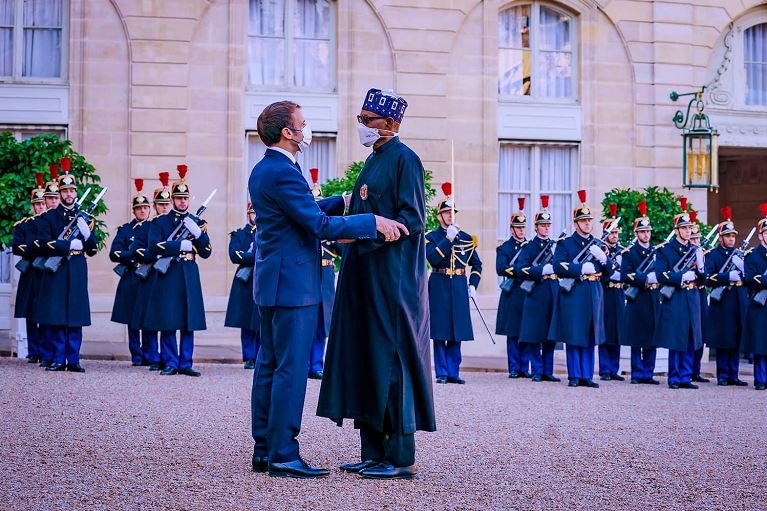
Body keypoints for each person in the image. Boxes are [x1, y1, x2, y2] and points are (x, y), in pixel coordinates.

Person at [248, 99, 406, 479]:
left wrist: (344, 201)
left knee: (268, 365)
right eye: (302, 123)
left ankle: (265, 448)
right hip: (294, 286)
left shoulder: (266, 167)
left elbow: (302, 208)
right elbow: (317, 225)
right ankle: (284, 454)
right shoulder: (283, 171)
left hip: (273, 282)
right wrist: (371, 221)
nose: (307, 128)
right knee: (290, 369)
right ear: (288, 132)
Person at [317, 89, 435, 480]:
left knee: (393, 362)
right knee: (367, 356)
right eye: (361, 119)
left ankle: (400, 457)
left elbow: (414, 219)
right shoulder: (372, 161)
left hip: (393, 279)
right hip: (363, 274)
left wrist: (371, 230)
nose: (363, 126)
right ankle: (372, 450)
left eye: (369, 119)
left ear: (391, 124)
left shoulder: (406, 160)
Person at [144, 165, 212, 377]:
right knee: (169, 319)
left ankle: (186, 362)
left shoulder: (197, 222)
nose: (182, 201)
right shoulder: (161, 222)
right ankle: (171, 361)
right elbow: (153, 247)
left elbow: (207, 251)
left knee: (188, 320)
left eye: (185, 198)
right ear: (172, 199)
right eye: (178, 198)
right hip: (169, 273)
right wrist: (179, 246)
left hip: (189, 272)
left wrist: (198, 236)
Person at [34, 160, 99, 372]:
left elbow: (92, 249)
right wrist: (67, 244)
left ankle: (73, 359)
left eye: (72, 190)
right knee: (57, 315)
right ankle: (57, 358)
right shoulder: (50, 217)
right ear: (60, 193)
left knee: (75, 315)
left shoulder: (84, 218)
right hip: (58, 269)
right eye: (65, 191)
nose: (69, 194)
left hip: (77, 268)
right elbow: (44, 243)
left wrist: (87, 233)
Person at [552, 189, 610, 388]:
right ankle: (574, 375)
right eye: (583, 220)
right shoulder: (566, 244)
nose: (587, 223)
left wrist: (604, 259)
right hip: (575, 291)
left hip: (593, 291)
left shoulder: (597, 244)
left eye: (589, 220)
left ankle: (587, 375)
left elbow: (609, 272)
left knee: (589, 333)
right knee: (574, 333)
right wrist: (579, 269)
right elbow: (558, 266)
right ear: (576, 223)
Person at [426, 183, 483, 385]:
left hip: (459, 283)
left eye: (453, 212)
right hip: (440, 283)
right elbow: (432, 258)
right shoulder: (431, 237)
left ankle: (453, 371)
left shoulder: (466, 238)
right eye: (446, 212)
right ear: (439, 215)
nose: (451, 216)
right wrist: (447, 239)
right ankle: (441, 371)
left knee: (457, 330)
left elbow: (476, 264)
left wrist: (473, 285)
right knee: (440, 330)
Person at [652, 198, 703, 389]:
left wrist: (701, 268)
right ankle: (674, 377)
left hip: (692, 297)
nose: (688, 231)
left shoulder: (695, 249)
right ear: (676, 230)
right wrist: (682, 276)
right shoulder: (666, 249)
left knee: (690, 337)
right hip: (676, 297)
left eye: (689, 228)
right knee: (677, 337)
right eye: (684, 228)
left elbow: (702, 279)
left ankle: (685, 376)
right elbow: (660, 274)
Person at [128, 172, 171, 371]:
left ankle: (165, 356)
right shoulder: (148, 226)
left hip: (170, 274)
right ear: (155, 206)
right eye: (160, 204)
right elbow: (136, 248)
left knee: (168, 317)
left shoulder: (174, 223)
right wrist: (153, 254)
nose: (164, 207)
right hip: (152, 274)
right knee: (153, 318)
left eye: (166, 203)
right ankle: (153, 356)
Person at [516, 195, 561, 383]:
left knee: (550, 334)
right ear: (536, 227)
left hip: (552, 290)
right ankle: (537, 369)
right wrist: (540, 270)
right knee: (535, 334)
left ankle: (548, 371)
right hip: (536, 292)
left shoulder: (556, 246)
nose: (546, 228)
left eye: (548, 225)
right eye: (543, 225)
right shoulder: (529, 246)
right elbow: (521, 269)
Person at [109, 179, 153, 366]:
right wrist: (132, 255)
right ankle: (136, 354)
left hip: (148, 276)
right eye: (139, 208)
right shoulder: (125, 230)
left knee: (149, 317)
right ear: (134, 210)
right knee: (132, 319)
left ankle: (150, 354)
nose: (142, 211)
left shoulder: (154, 228)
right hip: (132, 276)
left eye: (145, 208)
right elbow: (115, 253)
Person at [704, 207, 748, 387]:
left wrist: (743, 269)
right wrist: (726, 277)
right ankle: (722, 374)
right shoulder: (714, 255)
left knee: (737, 336)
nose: (731, 238)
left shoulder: (740, 255)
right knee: (724, 338)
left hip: (738, 298)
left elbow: (749, 277)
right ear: (721, 237)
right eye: (728, 236)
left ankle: (733, 374)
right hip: (723, 300)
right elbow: (708, 277)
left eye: (733, 236)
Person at [620, 201, 660, 384]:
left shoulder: (656, 251)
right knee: (637, 338)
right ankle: (637, 373)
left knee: (652, 337)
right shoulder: (630, 252)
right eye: (643, 231)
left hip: (652, 296)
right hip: (638, 297)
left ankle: (648, 373)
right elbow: (625, 275)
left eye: (648, 231)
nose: (646, 234)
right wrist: (643, 279)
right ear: (636, 233)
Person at [12, 172, 47, 364]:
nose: (40, 207)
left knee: (46, 312)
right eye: (37, 204)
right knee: (31, 313)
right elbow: (17, 246)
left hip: (46, 272)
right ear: (32, 206)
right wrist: (35, 248)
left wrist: (33, 247)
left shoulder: (51, 222)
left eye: (42, 203)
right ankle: (34, 350)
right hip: (31, 273)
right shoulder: (24, 225)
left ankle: (46, 350)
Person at [495, 197, 530, 379]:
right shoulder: (505, 247)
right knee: (513, 332)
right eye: (518, 227)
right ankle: (514, 367)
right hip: (512, 292)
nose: (521, 231)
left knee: (526, 330)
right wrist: (519, 270)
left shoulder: (530, 246)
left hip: (527, 291)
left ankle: (525, 367)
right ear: (512, 229)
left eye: (523, 228)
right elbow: (501, 268)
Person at [32, 165, 61, 368]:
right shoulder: (39, 221)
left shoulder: (63, 218)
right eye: (47, 199)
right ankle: (43, 353)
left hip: (58, 269)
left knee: (54, 314)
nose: (50, 202)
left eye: (53, 198)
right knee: (43, 314)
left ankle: (53, 354)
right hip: (39, 271)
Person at [225, 202, 260, 370]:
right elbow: (235, 255)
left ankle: (260, 355)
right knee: (246, 320)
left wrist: (249, 255)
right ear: (248, 214)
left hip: (261, 280)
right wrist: (254, 256)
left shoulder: (267, 233)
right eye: (253, 213)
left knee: (260, 321)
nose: (256, 217)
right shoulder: (240, 234)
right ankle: (249, 357)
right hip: (245, 281)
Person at [598, 203, 625, 381]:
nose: (614, 236)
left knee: (617, 331)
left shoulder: (623, 250)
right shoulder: (601, 250)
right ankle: (605, 369)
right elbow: (599, 273)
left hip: (619, 293)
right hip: (606, 292)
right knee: (606, 330)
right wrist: (611, 275)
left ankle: (614, 368)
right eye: (611, 232)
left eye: (616, 233)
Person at [308, 239, 341, 380]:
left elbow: (345, 251)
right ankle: (303, 366)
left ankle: (316, 366)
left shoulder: (329, 243)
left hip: (325, 294)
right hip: (308, 291)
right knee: (305, 331)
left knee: (321, 331)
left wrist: (335, 239)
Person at [743, 203, 767, 391]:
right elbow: (751, 279)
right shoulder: (753, 256)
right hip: (760, 303)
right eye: (765, 233)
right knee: (760, 343)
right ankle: (760, 379)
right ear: (760, 236)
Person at [689, 213, 710, 384]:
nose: (695, 242)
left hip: (701, 294)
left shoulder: (702, 254)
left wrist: (701, 266)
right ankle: (687, 369)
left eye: (697, 239)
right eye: (693, 238)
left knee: (700, 333)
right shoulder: (684, 255)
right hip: (689, 293)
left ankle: (696, 369)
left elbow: (707, 278)